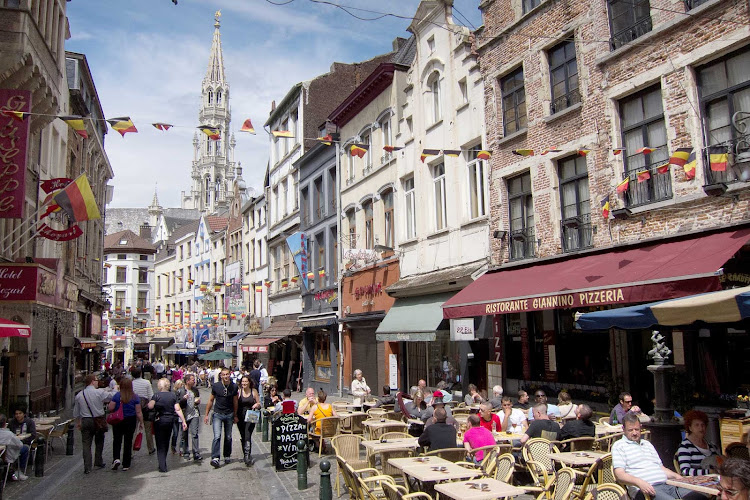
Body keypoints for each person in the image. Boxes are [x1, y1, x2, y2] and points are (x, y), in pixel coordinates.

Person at [613, 413, 703, 500]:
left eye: (637, 429)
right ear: (623, 429)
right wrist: (639, 482)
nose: (634, 433)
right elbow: (620, 475)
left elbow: (661, 468)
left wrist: (678, 477)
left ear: (640, 427)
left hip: (666, 485)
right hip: (646, 490)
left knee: (699, 497)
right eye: (630, 430)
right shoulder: (619, 446)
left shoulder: (647, 444)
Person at [74, 374, 112, 474]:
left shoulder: (79, 395)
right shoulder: (99, 392)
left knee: (86, 444)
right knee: (99, 441)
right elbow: (110, 397)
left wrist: (79, 422)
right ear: (92, 381)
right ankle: (98, 461)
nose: (97, 382)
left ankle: (87, 467)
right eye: (96, 380)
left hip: (86, 421)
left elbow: (76, 413)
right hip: (98, 420)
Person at [148, 378, 188, 473]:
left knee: (159, 443)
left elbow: (150, 406)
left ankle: (162, 465)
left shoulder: (156, 395)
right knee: (166, 441)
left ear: (159, 386)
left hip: (159, 420)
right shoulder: (172, 395)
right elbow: (177, 409)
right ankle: (163, 462)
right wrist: (183, 421)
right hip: (170, 420)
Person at [204, 367, 239, 468]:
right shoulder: (216, 386)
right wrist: (206, 414)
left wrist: (235, 415)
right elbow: (211, 400)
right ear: (221, 376)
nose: (225, 376)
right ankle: (215, 457)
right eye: (223, 374)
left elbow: (235, 401)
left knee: (228, 436)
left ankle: (227, 455)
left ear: (230, 374)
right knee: (217, 436)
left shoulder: (234, 386)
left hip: (229, 414)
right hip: (218, 413)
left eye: (227, 374)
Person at [108, 377, 144, 471]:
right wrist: (141, 422)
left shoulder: (117, 395)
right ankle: (126, 464)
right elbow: (138, 412)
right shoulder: (135, 397)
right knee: (128, 441)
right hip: (130, 420)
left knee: (117, 440)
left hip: (118, 420)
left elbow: (110, 408)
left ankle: (116, 459)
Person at [676, 410, 720, 476]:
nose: (701, 428)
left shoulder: (712, 447)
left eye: (703, 425)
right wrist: (708, 472)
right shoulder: (685, 447)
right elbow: (685, 471)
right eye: (697, 425)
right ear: (690, 428)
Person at [177, 373, 202, 461]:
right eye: (192, 380)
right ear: (187, 381)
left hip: (194, 413)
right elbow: (177, 404)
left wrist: (198, 402)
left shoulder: (195, 390)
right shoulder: (181, 391)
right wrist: (183, 399)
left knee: (194, 433)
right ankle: (186, 452)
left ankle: (196, 453)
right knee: (184, 434)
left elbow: (197, 399)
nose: (194, 381)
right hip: (184, 415)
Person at [237, 375, 261, 466]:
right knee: (243, 435)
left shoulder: (254, 391)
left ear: (249, 382)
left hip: (251, 415)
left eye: (246, 381)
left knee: (247, 434)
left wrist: (256, 405)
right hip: (240, 415)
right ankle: (245, 454)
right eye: (243, 382)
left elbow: (259, 403)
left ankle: (247, 456)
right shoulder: (239, 392)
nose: (244, 383)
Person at [131, 367, 156, 456]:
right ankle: (151, 448)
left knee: (133, 430)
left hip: (134, 408)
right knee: (148, 430)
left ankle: (131, 451)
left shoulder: (131, 383)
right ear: (141, 373)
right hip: (146, 408)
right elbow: (151, 396)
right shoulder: (146, 382)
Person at [0, 414, 29, 481]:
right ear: (5, 423)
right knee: (25, 448)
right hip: (8, 456)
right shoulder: (9, 434)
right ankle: (20, 471)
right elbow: (20, 445)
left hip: (2, 454)